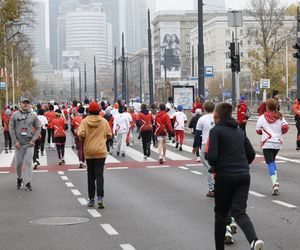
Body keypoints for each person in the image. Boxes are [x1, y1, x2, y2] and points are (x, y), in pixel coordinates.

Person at [206, 102, 264, 250]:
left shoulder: (216, 131)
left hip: (225, 176)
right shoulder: (239, 131)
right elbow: (251, 153)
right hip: (244, 175)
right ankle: (254, 241)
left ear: (217, 116)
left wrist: (215, 163)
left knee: (220, 214)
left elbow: (212, 157)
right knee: (239, 211)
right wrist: (242, 165)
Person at [78, 101, 112, 209]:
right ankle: (100, 198)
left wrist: (83, 138)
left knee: (90, 175)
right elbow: (109, 135)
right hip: (101, 151)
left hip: (89, 151)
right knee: (99, 174)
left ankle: (91, 199)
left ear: (89, 111)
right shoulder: (104, 121)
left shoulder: (84, 121)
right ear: (98, 110)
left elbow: (81, 134)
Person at [256, 98, 289, 195]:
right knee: (272, 161)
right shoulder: (280, 117)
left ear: (266, 107)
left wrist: (264, 130)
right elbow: (285, 127)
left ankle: (275, 183)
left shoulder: (262, 117)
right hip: (277, 143)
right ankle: (275, 181)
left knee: (270, 163)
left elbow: (258, 131)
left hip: (267, 143)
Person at [9, 98, 41, 191]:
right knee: (19, 163)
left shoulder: (33, 115)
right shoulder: (15, 115)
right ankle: (19, 178)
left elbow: (38, 128)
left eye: (27, 103)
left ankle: (28, 183)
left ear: (29, 104)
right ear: (20, 104)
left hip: (29, 143)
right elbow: (11, 128)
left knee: (29, 162)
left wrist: (33, 140)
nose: (25, 104)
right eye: (24, 103)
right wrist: (15, 141)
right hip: (19, 143)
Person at [194, 101, 215, 197]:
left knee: (208, 166)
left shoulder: (201, 119)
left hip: (205, 144)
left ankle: (212, 188)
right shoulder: (217, 117)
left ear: (204, 109)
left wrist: (195, 146)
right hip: (218, 143)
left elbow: (197, 134)